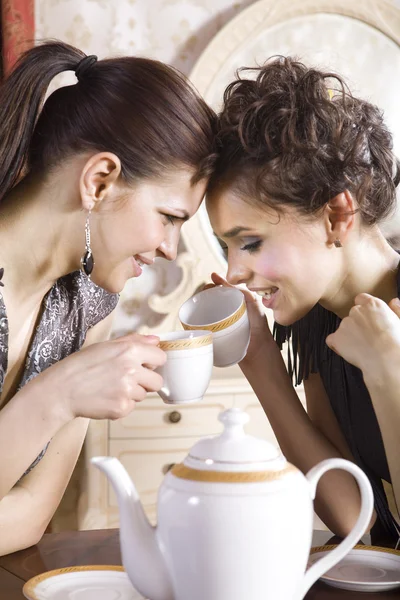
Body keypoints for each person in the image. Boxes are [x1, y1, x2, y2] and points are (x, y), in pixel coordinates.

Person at [0, 40, 216, 555]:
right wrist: (58, 394)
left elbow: (30, 517)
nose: (170, 248)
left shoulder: (89, 306)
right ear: (99, 181)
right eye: (169, 218)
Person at [206, 56, 400, 543]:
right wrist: (261, 362)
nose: (234, 272)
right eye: (224, 247)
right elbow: (355, 516)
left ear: (337, 215)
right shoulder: (316, 319)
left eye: (249, 243)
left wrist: (388, 369)